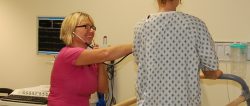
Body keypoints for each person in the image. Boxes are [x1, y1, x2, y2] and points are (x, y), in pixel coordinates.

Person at [133, 0, 223, 106]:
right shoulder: (195, 25)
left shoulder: (141, 27)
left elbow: (140, 62)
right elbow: (210, 70)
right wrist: (216, 74)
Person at [48, 11, 132, 106]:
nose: (91, 30)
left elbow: (103, 89)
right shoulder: (68, 53)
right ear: (71, 30)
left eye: (92, 27)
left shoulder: (90, 59)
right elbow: (106, 53)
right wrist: (136, 44)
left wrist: (100, 62)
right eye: (85, 26)